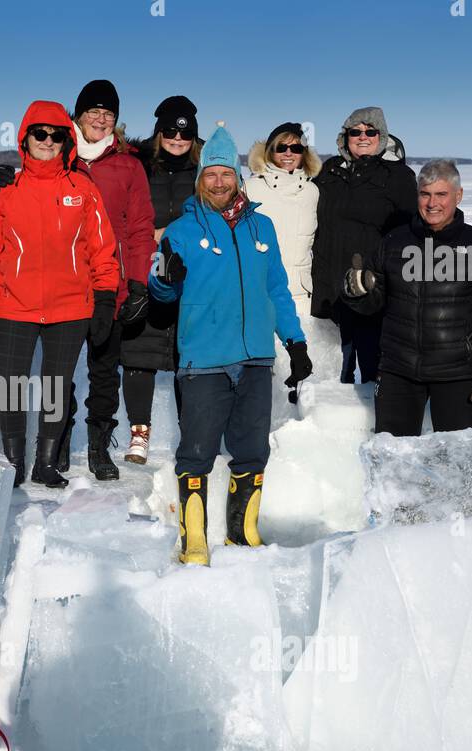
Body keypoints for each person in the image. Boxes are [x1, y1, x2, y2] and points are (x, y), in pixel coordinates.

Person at [147, 123, 312, 563]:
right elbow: (161, 289)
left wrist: (294, 342)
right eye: (210, 175)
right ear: (200, 179)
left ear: (238, 178)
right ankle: (194, 541)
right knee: (197, 453)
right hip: (204, 361)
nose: (219, 183)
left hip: (257, 358)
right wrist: (165, 279)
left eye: (226, 174)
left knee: (252, 450)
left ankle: (243, 533)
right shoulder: (181, 230)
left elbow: (277, 289)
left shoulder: (263, 227)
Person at [0, 80, 153, 481]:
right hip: (35, 297)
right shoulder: (49, 171)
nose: (100, 118)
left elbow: (136, 232)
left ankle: (93, 448)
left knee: (96, 375)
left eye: (109, 113)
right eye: (93, 111)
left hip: (99, 288)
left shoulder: (125, 165)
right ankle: (44, 451)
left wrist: (133, 285)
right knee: (30, 383)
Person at [0, 100, 120, 489]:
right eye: (40, 133)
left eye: (56, 135)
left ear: (67, 140)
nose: (48, 141)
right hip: (13, 304)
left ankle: (46, 463)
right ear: (25, 138)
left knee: (56, 385)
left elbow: (101, 248)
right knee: (12, 386)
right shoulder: (5, 190)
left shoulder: (82, 189)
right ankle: (15, 463)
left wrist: (104, 298)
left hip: (70, 307)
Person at [341, 159, 472, 436]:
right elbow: (372, 305)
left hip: (458, 374)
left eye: (441, 194)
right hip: (398, 372)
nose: (432, 203)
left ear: (458, 196)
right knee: (393, 459)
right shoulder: (392, 243)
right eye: (425, 194)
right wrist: (357, 291)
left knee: (462, 460)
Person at [120, 95, 202, 465]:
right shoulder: (138, 163)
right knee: (139, 349)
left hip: (191, 270)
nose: (177, 138)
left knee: (189, 355)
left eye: (185, 133)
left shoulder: (203, 170)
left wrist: (176, 231)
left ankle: (193, 431)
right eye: (169, 130)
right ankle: (139, 432)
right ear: (158, 132)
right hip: (143, 262)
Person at [311, 107, 416, 384]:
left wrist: (386, 281)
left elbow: (410, 234)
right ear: (344, 137)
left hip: (372, 293)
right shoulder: (329, 172)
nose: (363, 136)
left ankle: (379, 425)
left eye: (371, 131)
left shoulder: (398, 177)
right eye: (355, 131)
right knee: (329, 376)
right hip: (327, 290)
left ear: (381, 136)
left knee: (375, 372)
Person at [246, 123, 320, 318]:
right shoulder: (250, 188)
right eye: (281, 147)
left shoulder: (313, 192)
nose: (289, 153)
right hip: (260, 291)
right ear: (270, 151)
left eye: (295, 148)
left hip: (300, 296)